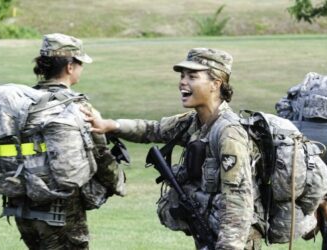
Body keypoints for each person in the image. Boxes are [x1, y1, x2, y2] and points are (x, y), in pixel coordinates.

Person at [83, 48, 263, 249]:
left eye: (192, 76)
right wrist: (111, 125)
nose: (182, 82)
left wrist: (229, 246)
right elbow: (152, 129)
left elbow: (238, 198)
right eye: (182, 76)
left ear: (216, 84)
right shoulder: (194, 122)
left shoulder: (228, 133)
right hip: (209, 234)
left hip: (233, 241)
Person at [2, 33, 125, 249]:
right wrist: (118, 182)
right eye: (80, 64)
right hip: (61, 210)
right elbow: (100, 153)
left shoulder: (23, 104)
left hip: (22, 206)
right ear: (70, 67)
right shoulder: (76, 107)